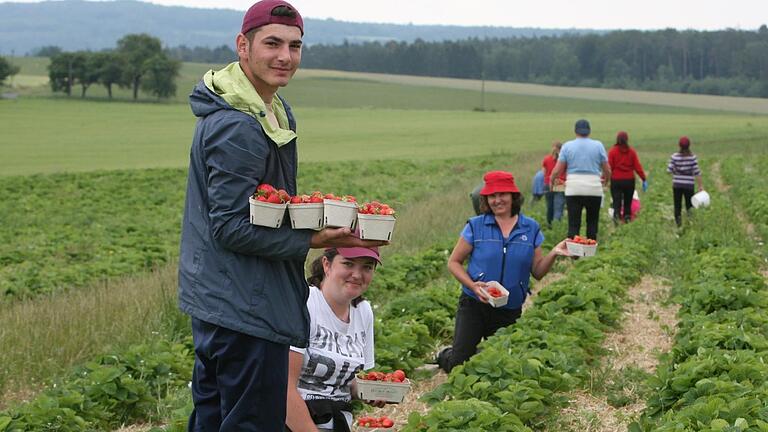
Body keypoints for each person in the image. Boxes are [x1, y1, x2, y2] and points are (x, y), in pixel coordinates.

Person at [178, 2, 386, 430]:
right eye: (272, 43)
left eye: (295, 45)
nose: (285, 56)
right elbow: (232, 227)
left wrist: (313, 217)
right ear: (243, 45)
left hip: (230, 300)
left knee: (216, 419)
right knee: (250, 422)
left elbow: (262, 211)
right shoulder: (238, 125)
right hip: (245, 305)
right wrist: (314, 239)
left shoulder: (268, 109)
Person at [437, 171, 569, 373]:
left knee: (502, 364)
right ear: (486, 199)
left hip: (509, 308)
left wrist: (554, 253)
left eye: (502, 194)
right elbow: (454, 262)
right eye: (492, 196)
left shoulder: (530, 228)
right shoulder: (476, 226)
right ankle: (445, 355)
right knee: (458, 363)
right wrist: (473, 285)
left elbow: (538, 272)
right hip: (474, 303)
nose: (497, 200)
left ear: (513, 196)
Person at [286, 244, 385, 432]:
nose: (357, 274)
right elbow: (283, 389)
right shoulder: (304, 304)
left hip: (338, 423)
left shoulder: (363, 312)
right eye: (348, 263)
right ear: (327, 264)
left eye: (367, 267)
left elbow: (349, 382)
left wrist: (372, 391)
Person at [550, 119, 611, 240]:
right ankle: (590, 252)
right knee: (592, 223)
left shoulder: (567, 146)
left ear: (575, 131)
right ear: (589, 131)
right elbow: (607, 170)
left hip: (574, 189)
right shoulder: (598, 145)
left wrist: (551, 181)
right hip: (594, 188)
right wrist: (606, 180)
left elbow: (558, 170)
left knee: (573, 224)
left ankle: (574, 253)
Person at [608, 131, 647, 224]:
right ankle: (627, 219)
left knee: (616, 203)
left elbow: (609, 167)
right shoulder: (632, 152)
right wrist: (644, 178)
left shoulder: (612, 151)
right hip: (629, 181)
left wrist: (604, 178)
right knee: (627, 204)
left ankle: (616, 222)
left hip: (616, 180)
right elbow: (637, 167)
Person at [667, 136, 703, 226]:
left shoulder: (674, 157)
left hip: (677, 185)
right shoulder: (692, 158)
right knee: (689, 205)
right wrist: (700, 186)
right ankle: (690, 223)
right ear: (689, 145)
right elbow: (697, 172)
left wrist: (676, 172)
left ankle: (678, 225)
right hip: (689, 185)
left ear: (679, 145)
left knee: (677, 205)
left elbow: (669, 170)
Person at [542, 141, 566, 227]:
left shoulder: (546, 159)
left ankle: (549, 225)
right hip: (560, 184)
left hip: (547, 184)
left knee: (549, 207)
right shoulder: (563, 160)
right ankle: (556, 227)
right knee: (558, 208)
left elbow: (544, 173)